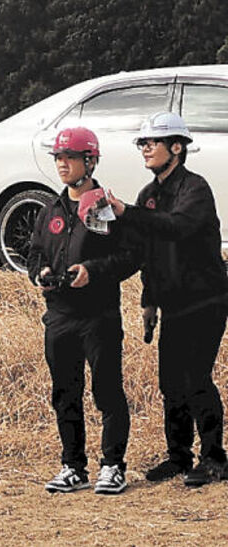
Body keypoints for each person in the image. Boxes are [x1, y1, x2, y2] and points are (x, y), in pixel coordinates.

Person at [108, 112, 228, 487]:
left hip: (207, 299)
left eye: (152, 142)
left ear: (176, 147)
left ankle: (215, 459)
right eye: (142, 143)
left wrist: (128, 212)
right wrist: (148, 301)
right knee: (171, 383)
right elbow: (150, 254)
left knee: (196, 379)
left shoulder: (196, 189)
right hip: (173, 304)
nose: (145, 148)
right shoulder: (149, 196)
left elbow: (176, 228)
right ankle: (179, 457)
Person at [26, 127, 137, 495]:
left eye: (69, 157)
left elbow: (129, 257)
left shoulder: (105, 207)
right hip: (58, 316)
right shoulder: (50, 210)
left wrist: (94, 272)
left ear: (90, 160)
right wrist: (39, 273)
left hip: (98, 316)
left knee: (107, 391)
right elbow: (35, 252)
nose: (61, 164)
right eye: (58, 157)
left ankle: (113, 466)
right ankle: (73, 466)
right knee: (64, 392)